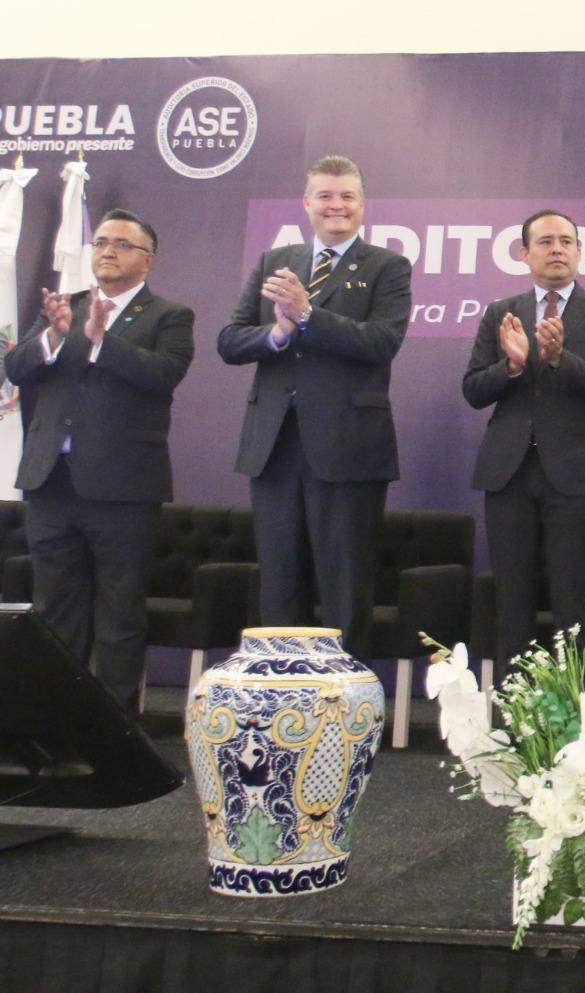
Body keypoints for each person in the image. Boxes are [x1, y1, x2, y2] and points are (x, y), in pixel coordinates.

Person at [218, 156, 412, 661]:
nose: (336, 205)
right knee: (280, 584)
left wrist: (306, 314)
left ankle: (346, 703)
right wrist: (278, 332)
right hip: (275, 445)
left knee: (345, 586)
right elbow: (231, 341)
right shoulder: (275, 261)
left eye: (347, 196)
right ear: (307, 203)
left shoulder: (387, 266)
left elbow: (380, 343)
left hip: (349, 448)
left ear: (362, 205)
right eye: (325, 195)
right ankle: (284, 695)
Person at [5, 209, 194, 708]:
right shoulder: (63, 307)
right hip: (52, 483)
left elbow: (162, 375)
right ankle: (57, 726)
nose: (107, 251)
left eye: (122, 244)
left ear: (148, 260)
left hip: (123, 491)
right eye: (102, 242)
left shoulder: (169, 316)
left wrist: (100, 341)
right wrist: (53, 337)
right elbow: (16, 368)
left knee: (119, 616)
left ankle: (115, 731)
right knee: (54, 613)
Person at [463, 210, 585, 669]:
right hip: (508, 473)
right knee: (511, 601)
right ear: (524, 253)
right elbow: (473, 390)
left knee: (572, 602)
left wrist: (560, 359)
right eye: (546, 241)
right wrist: (512, 366)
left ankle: (571, 707)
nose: (557, 249)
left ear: (579, 251)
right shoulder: (500, 312)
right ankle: (512, 707)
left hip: (573, 475)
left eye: (566, 241)